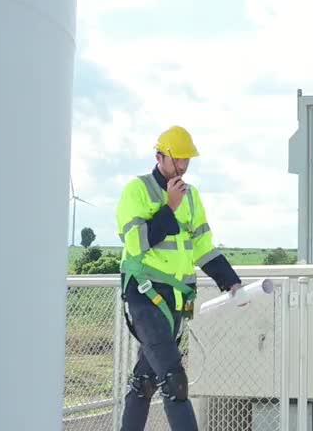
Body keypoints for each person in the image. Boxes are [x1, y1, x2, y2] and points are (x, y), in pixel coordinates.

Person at [115, 125, 243, 431]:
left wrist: (230, 281)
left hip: (176, 299)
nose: (183, 166)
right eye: (177, 159)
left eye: (187, 159)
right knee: (174, 381)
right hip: (145, 296)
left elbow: (203, 247)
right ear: (159, 156)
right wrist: (169, 207)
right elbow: (136, 242)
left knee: (146, 381)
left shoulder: (193, 197)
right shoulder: (137, 189)